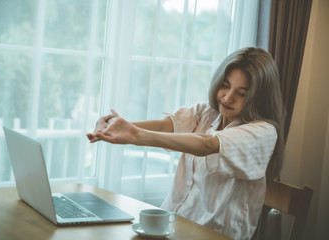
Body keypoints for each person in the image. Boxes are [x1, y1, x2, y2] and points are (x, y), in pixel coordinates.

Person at [87, 47, 286, 240]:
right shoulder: (207, 113)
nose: (228, 97)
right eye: (225, 85)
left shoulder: (264, 132)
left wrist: (136, 136)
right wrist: (114, 126)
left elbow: (207, 144)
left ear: (258, 99)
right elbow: (166, 126)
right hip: (174, 228)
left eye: (242, 93)